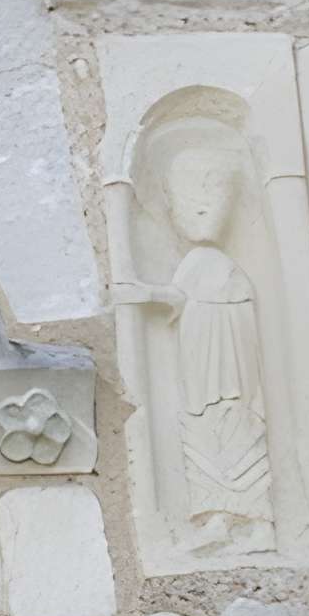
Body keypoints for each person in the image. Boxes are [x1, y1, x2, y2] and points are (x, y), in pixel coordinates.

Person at [115, 149, 271, 553]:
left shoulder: (216, 265)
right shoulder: (194, 263)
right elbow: (183, 299)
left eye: (214, 195)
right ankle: (219, 518)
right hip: (198, 366)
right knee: (204, 432)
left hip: (227, 371)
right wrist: (143, 293)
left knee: (233, 427)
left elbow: (187, 299)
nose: (201, 207)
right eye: (188, 198)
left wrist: (144, 292)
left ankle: (259, 526)